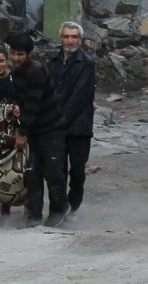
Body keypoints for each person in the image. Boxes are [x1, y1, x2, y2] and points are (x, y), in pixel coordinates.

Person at [6, 32, 68, 228]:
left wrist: (22, 132)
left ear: (29, 54)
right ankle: (34, 215)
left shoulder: (36, 71)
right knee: (31, 174)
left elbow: (33, 105)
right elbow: (22, 103)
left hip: (51, 130)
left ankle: (59, 210)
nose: (16, 58)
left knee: (53, 172)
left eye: (20, 54)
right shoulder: (15, 74)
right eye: (14, 53)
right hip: (33, 130)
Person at [49, 21, 95, 216]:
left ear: (80, 40)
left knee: (76, 171)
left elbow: (79, 97)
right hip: (56, 126)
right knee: (57, 171)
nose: (70, 40)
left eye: (74, 37)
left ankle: (73, 204)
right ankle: (59, 209)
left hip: (78, 127)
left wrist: (59, 120)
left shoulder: (86, 63)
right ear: (61, 38)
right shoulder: (53, 62)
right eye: (67, 36)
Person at [0, 41, 22, 220]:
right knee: (2, 164)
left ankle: (29, 203)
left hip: (17, 127)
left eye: (1, 61)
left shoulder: (17, 78)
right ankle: (5, 202)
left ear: (7, 60)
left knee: (22, 164)